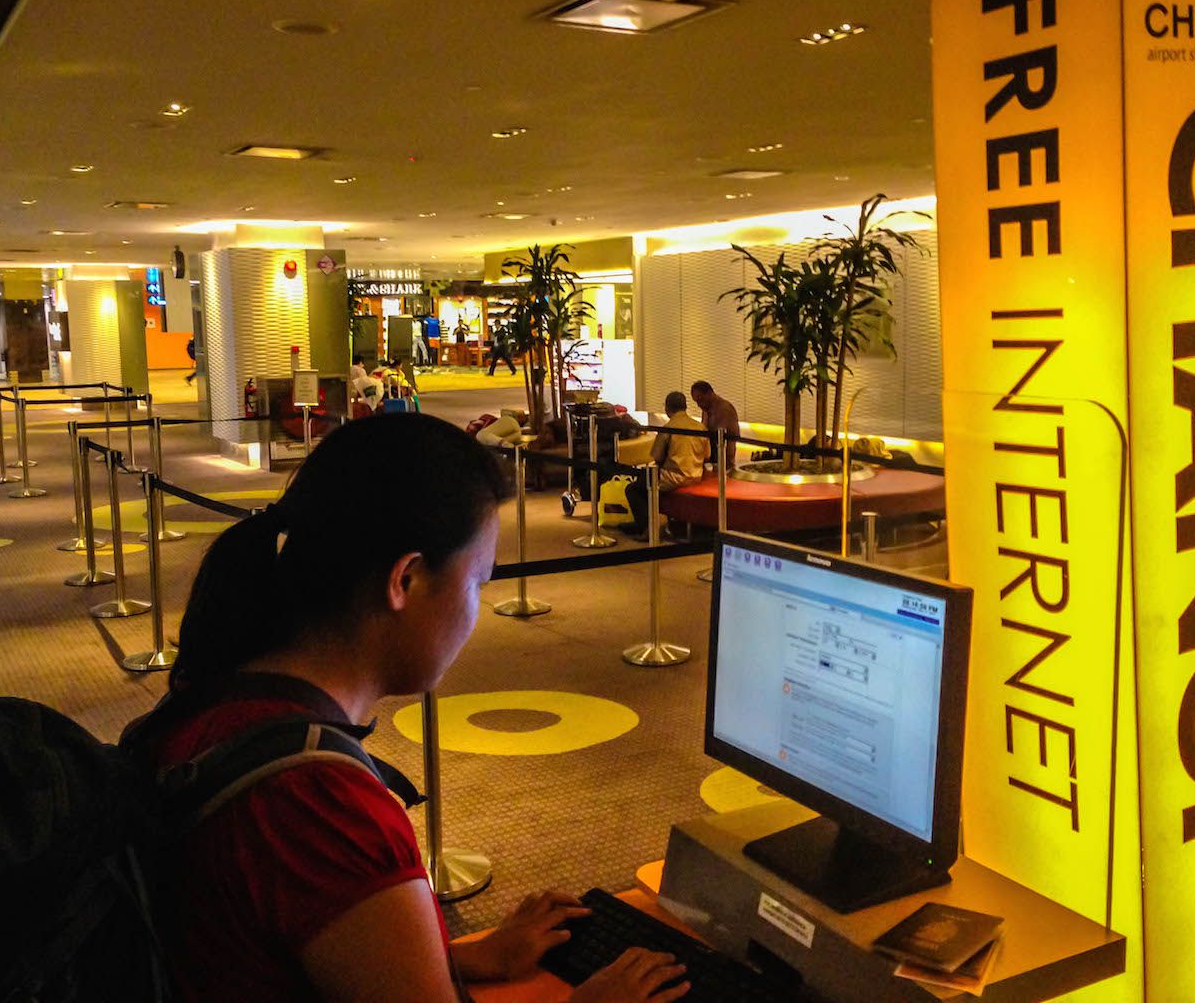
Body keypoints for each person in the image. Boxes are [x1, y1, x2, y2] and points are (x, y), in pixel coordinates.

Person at [122, 416, 687, 1003]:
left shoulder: (224, 698)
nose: (476, 612)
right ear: (406, 579)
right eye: (478, 583)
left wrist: (466, 957)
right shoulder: (319, 805)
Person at [621, 392, 708, 538]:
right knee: (645, 480)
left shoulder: (668, 428)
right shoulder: (700, 427)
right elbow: (707, 455)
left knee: (633, 488)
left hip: (673, 477)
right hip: (696, 475)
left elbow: (657, 456)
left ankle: (647, 528)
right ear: (685, 406)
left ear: (667, 408)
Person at [689, 381, 740, 471]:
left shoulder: (726, 410)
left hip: (723, 464)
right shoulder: (705, 409)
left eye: (700, 400)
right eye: (696, 401)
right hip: (711, 461)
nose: (699, 405)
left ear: (709, 393)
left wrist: (727, 468)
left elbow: (731, 442)